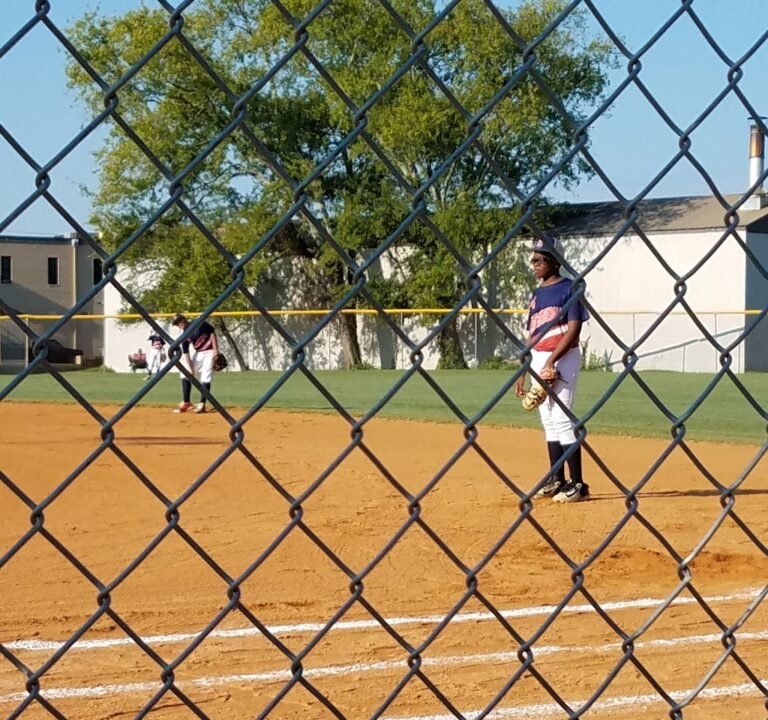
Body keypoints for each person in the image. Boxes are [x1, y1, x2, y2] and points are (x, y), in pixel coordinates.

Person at [515, 236, 590, 503]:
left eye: (539, 259)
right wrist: (523, 368)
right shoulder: (536, 295)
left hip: (564, 356)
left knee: (561, 416)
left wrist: (552, 362)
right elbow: (532, 334)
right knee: (547, 419)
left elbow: (573, 330)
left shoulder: (570, 288)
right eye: (533, 259)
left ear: (555, 262)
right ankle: (557, 478)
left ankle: (578, 484)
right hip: (538, 356)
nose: (534, 264)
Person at [171, 313, 219, 414]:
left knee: (205, 376)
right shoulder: (184, 335)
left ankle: (202, 404)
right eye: (176, 323)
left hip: (209, 352)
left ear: (184, 319)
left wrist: (215, 350)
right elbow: (186, 353)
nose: (179, 324)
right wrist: (191, 369)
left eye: (179, 321)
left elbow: (211, 332)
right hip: (199, 354)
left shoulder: (198, 323)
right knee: (185, 373)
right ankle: (187, 402)